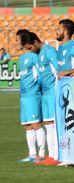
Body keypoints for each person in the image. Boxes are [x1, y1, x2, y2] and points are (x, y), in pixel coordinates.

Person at [21, 31, 60, 164]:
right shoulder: (38, 54)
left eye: (30, 47)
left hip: (53, 92)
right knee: (48, 124)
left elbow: (58, 71)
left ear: (35, 42)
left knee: (53, 124)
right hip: (45, 93)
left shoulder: (49, 51)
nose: (30, 51)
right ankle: (51, 155)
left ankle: (56, 155)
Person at [16, 31, 45, 162]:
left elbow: (40, 74)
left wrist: (37, 88)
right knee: (27, 125)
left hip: (33, 95)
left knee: (36, 124)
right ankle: (32, 154)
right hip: (24, 96)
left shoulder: (34, 56)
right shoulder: (22, 58)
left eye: (18, 40)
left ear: (24, 41)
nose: (16, 43)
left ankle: (42, 154)